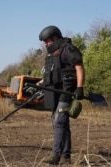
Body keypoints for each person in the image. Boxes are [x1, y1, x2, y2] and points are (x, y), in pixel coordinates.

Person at [37, 25, 85, 165]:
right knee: (61, 124)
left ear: (55, 37)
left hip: (66, 92)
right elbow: (50, 74)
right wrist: (39, 83)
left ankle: (56, 155)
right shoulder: (51, 54)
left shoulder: (67, 49)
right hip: (53, 92)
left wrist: (80, 88)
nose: (45, 44)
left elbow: (79, 67)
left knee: (59, 122)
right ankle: (66, 156)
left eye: (47, 41)